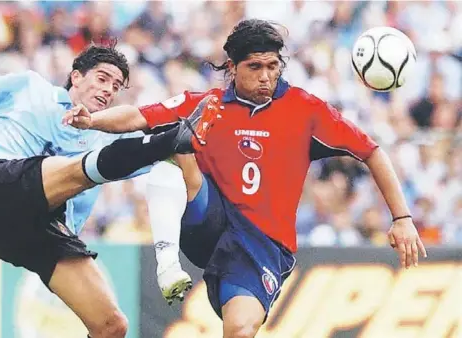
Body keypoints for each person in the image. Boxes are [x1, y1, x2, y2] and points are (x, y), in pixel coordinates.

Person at [62, 19, 427, 338]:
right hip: (209, 219)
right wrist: (91, 120)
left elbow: (372, 151)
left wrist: (402, 218)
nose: (266, 76)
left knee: (239, 329)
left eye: (272, 66)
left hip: (262, 245)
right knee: (179, 141)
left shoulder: (306, 110)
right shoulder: (210, 102)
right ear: (233, 68)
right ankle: (167, 263)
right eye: (255, 67)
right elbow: (138, 117)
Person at [0, 44, 220, 338]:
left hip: (37, 233)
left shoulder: (112, 139)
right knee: (76, 168)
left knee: (112, 325)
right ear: (76, 77)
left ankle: (174, 138)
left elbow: (179, 166)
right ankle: (173, 136)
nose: (108, 90)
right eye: (102, 78)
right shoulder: (29, 87)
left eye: (116, 86)